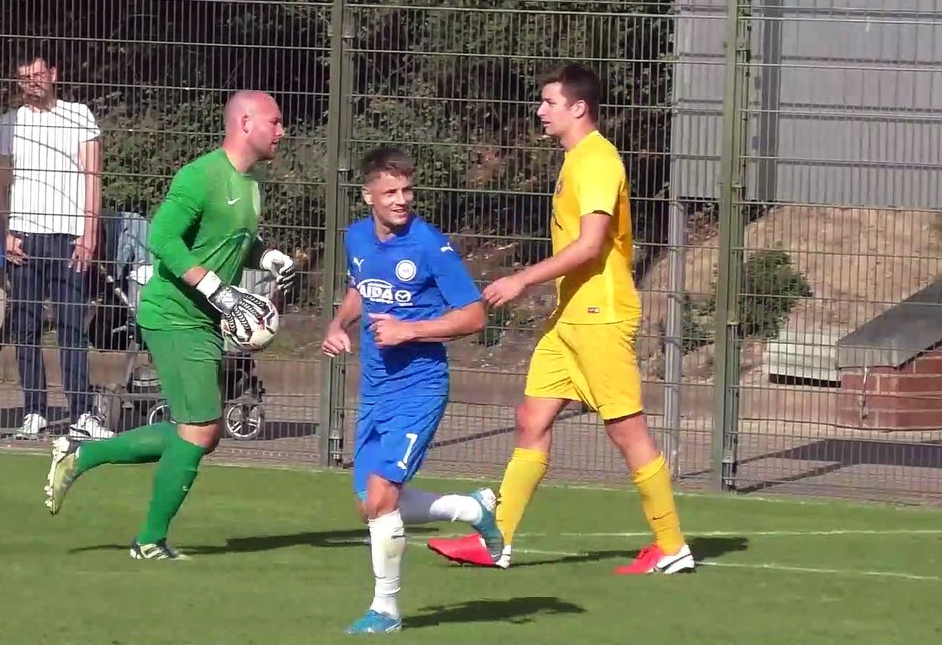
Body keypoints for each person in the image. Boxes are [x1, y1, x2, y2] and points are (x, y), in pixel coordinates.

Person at [425, 64, 695, 575]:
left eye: (549, 102)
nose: (540, 111)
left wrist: (523, 278)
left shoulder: (596, 161)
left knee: (626, 431)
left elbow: (591, 246)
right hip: (568, 317)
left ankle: (671, 543)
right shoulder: (576, 160)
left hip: (599, 316)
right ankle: (496, 540)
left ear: (578, 108)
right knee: (531, 419)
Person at [42, 90, 297, 560]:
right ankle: (148, 541)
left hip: (201, 317)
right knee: (199, 430)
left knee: (201, 431)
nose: (282, 131)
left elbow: (237, 239)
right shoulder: (199, 176)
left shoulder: (252, 182)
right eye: (275, 121)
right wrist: (219, 290)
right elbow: (162, 238)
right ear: (244, 123)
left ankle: (82, 456)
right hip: (173, 315)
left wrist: (267, 255)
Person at [322, 147, 504, 634]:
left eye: (407, 190)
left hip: (419, 386)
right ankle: (473, 508)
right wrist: (339, 323)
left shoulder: (429, 245)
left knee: (381, 498)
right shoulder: (356, 237)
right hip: (376, 387)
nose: (402, 200)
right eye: (391, 192)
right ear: (368, 196)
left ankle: (386, 609)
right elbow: (362, 287)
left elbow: (473, 316)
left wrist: (410, 331)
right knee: (370, 503)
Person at [0, 48, 112, 441]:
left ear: (53, 74)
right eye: (24, 77)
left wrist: (90, 232)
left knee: (71, 328)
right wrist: (4, 233)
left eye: (37, 75)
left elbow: (93, 177)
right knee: (25, 329)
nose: (31, 83)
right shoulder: (9, 124)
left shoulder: (80, 117)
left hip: (68, 238)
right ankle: (34, 410)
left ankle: (82, 412)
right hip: (24, 237)